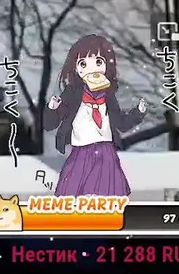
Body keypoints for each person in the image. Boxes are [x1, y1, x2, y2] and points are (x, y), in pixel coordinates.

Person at [43, 34, 148, 197]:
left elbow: (121, 123)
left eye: (98, 62)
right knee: (72, 194)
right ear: (75, 68)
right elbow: (50, 124)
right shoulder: (72, 93)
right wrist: (52, 108)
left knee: (106, 195)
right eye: (83, 64)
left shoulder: (108, 96)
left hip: (105, 152)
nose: (92, 70)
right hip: (80, 152)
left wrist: (138, 112)